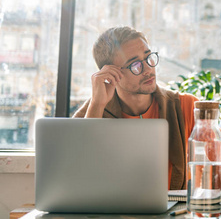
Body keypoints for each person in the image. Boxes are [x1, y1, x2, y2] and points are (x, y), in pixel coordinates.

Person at [73, 26, 197, 190]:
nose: (148, 69)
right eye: (135, 64)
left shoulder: (186, 107)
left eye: (148, 57)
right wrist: (97, 104)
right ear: (112, 73)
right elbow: (77, 175)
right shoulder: (91, 112)